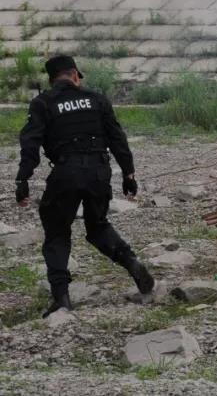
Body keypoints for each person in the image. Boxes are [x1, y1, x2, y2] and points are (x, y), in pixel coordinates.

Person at [16, 56, 156, 317]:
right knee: (98, 225)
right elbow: (117, 138)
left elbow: (30, 144)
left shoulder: (43, 102)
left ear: (51, 79)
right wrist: (129, 175)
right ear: (75, 76)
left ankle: (62, 299)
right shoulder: (96, 99)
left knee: (57, 233)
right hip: (98, 172)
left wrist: (22, 179)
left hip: (65, 173)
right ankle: (134, 265)